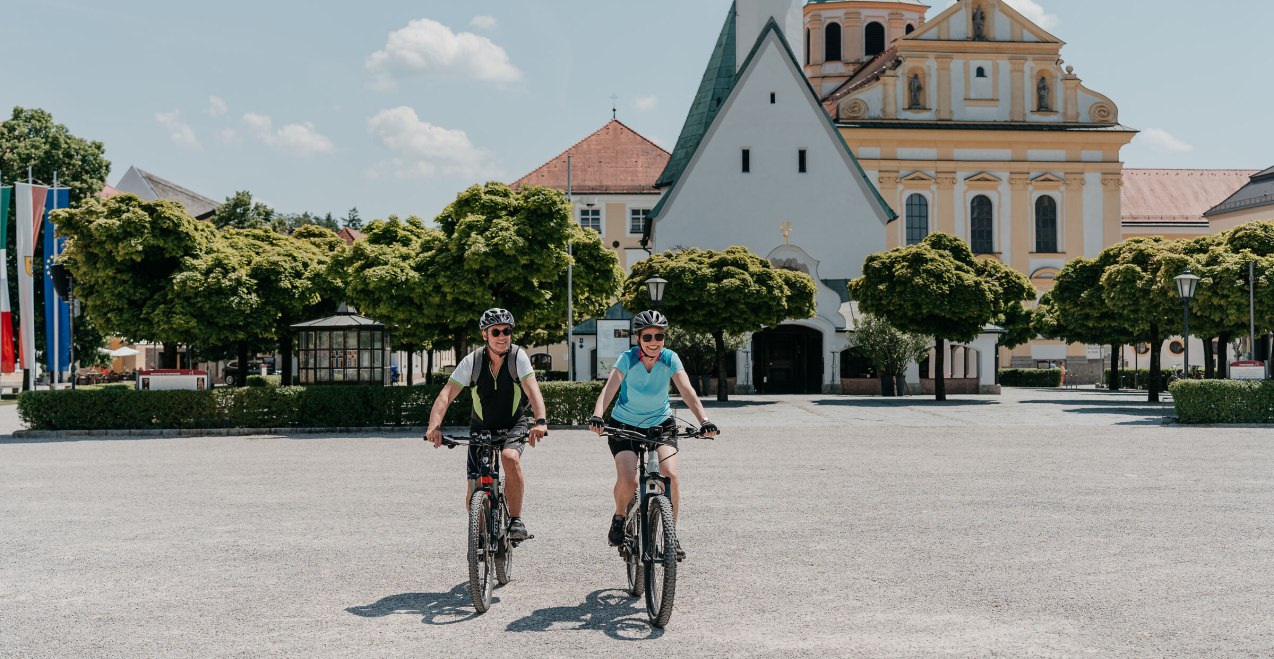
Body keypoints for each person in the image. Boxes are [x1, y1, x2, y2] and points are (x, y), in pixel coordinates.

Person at [588, 310, 718, 559]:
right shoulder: (627, 358)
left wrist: (705, 421)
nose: (654, 341)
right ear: (638, 338)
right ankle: (619, 517)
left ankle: (671, 536)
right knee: (629, 480)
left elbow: (688, 391)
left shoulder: (670, 358)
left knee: (670, 475)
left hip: (661, 425)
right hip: (624, 426)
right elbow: (608, 390)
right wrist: (597, 415)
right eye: (647, 336)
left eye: (659, 336)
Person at [426, 308, 549, 542]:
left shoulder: (517, 357)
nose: (502, 336)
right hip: (481, 428)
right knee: (474, 486)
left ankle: (515, 520)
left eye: (507, 331)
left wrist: (540, 422)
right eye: (496, 332)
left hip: (514, 425)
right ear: (485, 334)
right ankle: (480, 535)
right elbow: (445, 395)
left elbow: (533, 390)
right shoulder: (472, 361)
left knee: (510, 458)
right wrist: (434, 427)